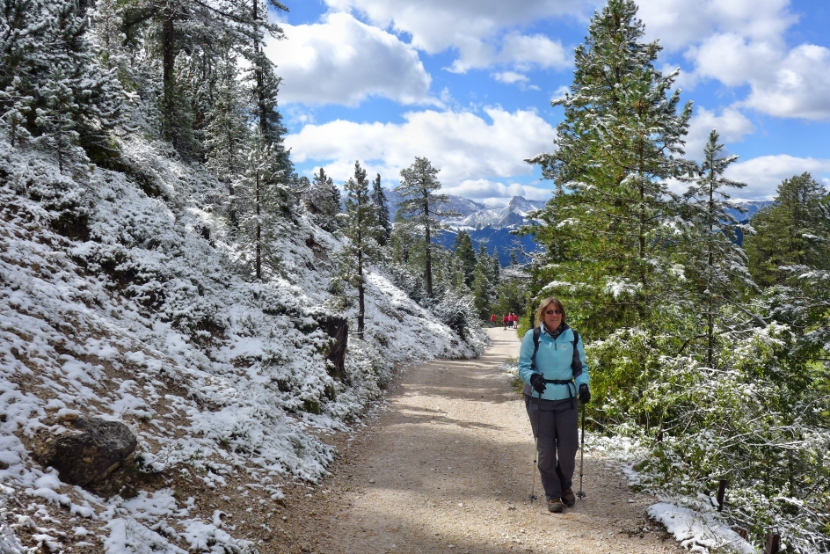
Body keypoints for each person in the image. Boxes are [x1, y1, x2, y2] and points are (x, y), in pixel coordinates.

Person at [518, 297, 590, 513]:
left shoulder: (573, 337)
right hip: (539, 399)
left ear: (562, 314)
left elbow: (580, 368)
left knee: (569, 448)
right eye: (549, 311)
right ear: (542, 314)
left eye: (557, 311)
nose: (554, 315)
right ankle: (553, 494)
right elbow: (523, 366)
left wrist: (583, 386)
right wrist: (533, 378)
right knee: (546, 450)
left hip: (566, 398)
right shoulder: (533, 336)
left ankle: (565, 486)